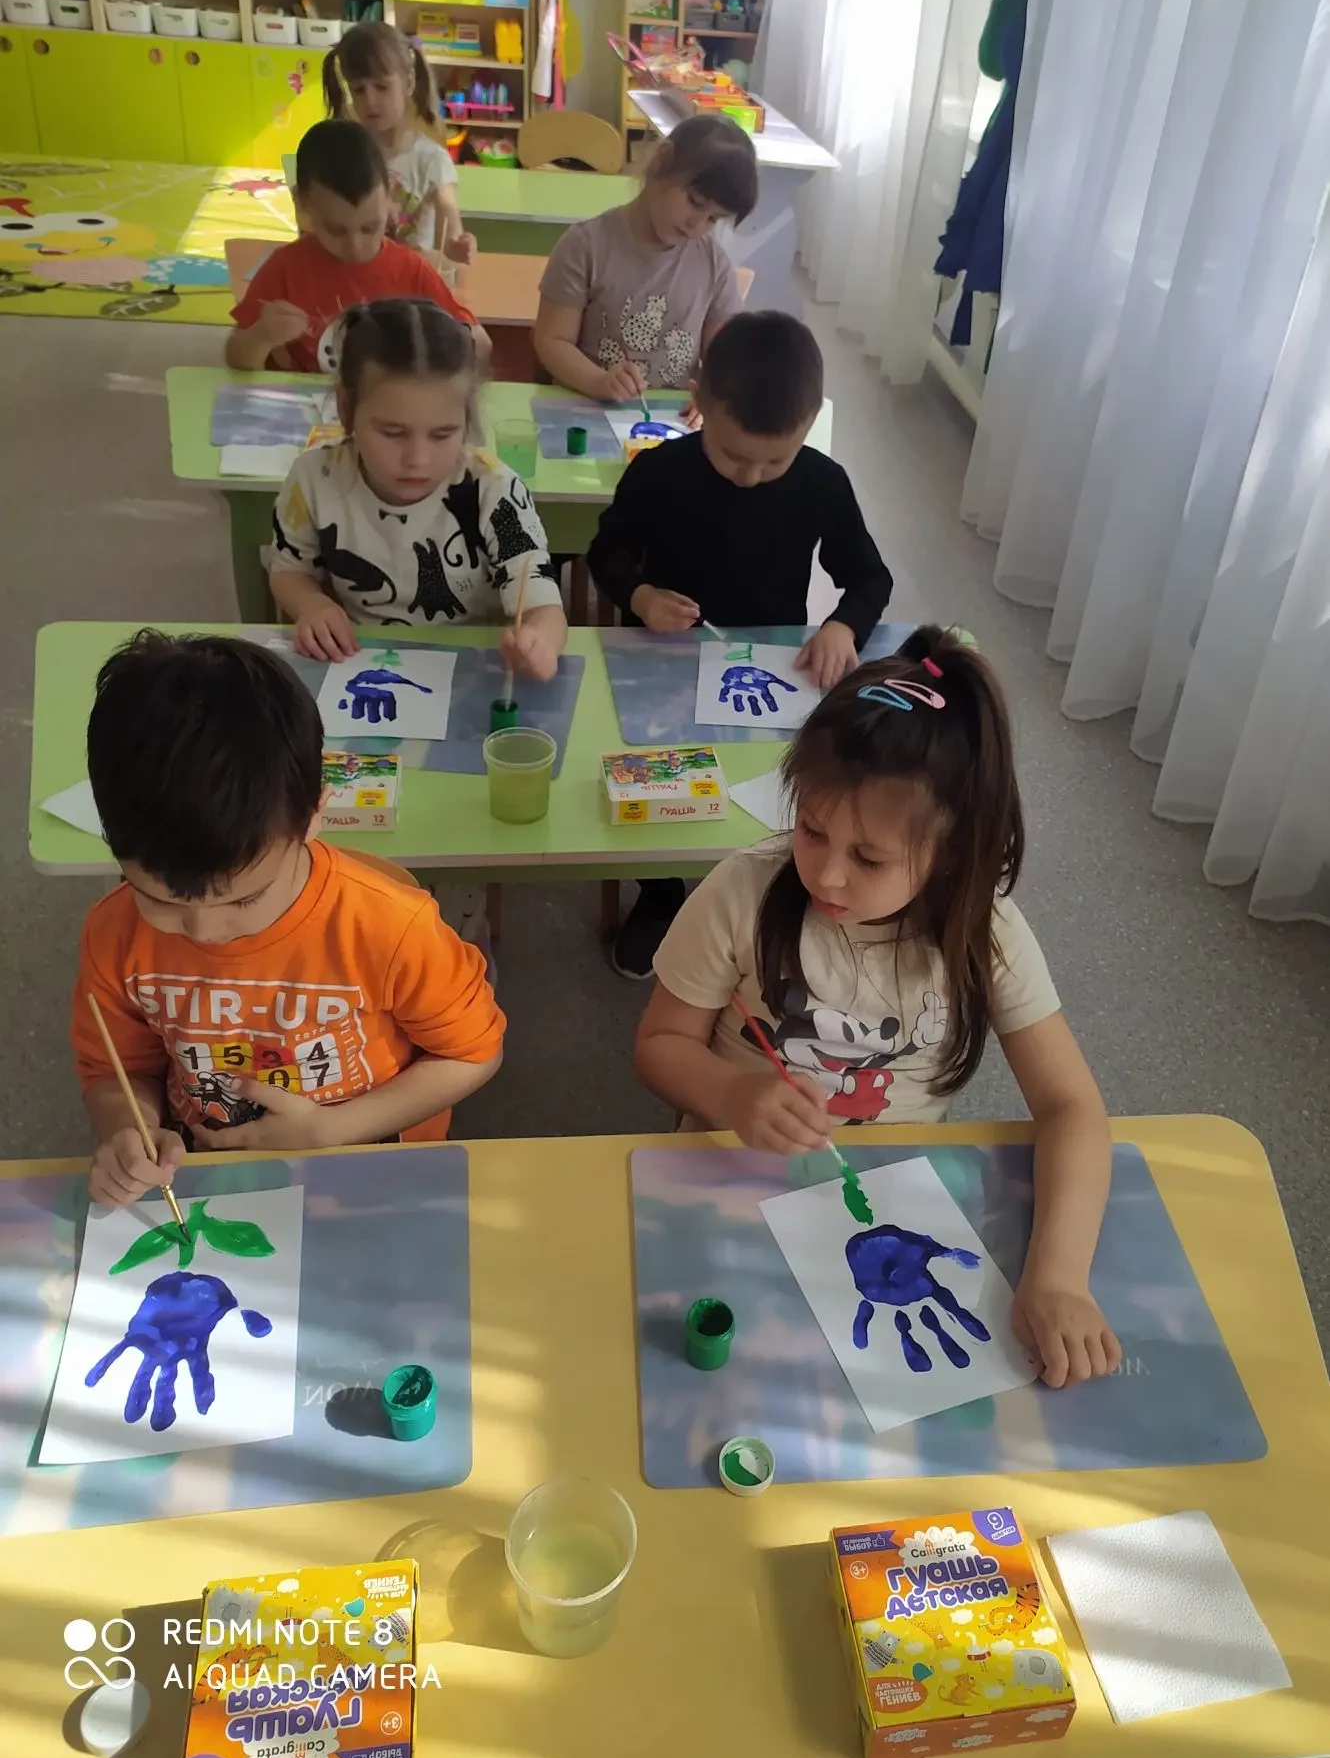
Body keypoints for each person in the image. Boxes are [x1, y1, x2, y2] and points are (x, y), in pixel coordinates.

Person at [635, 629, 1121, 1390]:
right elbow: (660, 1043)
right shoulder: (743, 892)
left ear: (951, 852)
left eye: (869, 858)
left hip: (896, 1197)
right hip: (728, 1175)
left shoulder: (984, 932)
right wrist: (730, 1093)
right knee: (718, 1374)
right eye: (811, 829)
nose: (826, 874)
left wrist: (1059, 1277)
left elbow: (1072, 1107)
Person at [73, 632, 505, 1206]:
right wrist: (127, 1130)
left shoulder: (389, 926)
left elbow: (472, 1052)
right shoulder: (113, 935)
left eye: (244, 900)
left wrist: (331, 1129)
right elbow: (116, 1070)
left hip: (371, 1161)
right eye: (162, 901)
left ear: (314, 815)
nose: (205, 932)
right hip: (206, 1172)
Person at [589, 310, 894, 978]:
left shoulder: (821, 482)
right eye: (732, 456)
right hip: (668, 660)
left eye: (774, 460)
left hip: (771, 665)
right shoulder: (660, 472)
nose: (752, 476)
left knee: (778, 792)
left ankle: (770, 888)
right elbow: (606, 553)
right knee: (661, 781)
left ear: (809, 424)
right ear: (698, 401)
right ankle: (661, 895)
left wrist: (843, 625)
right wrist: (640, 596)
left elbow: (871, 577)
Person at [267, 297, 567, 677]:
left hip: (472, 670)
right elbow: (289, 570)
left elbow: (543, 605)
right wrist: (311, 604)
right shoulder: (315, 478)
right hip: (358, 663)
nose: (418, 460)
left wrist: (540, 641)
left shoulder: (495, 490)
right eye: (392, 432)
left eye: (443, 434)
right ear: (345, 409)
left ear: (467, 419)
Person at [226, 120, 487, 375]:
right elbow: (236, 357)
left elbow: (480, 343)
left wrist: (451, 347)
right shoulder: (285, 268)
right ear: (302, 203)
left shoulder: (411, 272)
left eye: (370, 227)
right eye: (336, 230)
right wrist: (262, 336)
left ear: (389, 197)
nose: (355, 246)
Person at [534, 113, 758, 403]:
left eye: (713, 219)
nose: (697, 224)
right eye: (695, 202)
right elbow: (552, 340)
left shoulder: (714, 265)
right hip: (590, 410)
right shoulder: (585, 245)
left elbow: (724, 360)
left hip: (672, 420)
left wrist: (712, 396)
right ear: (661, 160)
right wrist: (598, 381)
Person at [323, 22, 476, 263]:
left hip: (408, 278)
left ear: (409, 83)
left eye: (382, 87)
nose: (370, 101)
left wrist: (458, 246)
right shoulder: (345, 154)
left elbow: (450, 228)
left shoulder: (432, 160)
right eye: (359, 90)